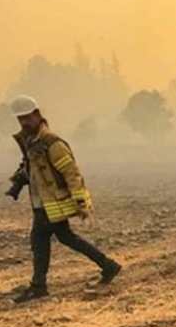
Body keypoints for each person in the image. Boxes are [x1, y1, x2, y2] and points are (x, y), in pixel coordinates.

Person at [8, 95, 121, 303]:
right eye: (20, 119)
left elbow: (72, 173)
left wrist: (80, 202)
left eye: (27, 118)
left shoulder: (52, 143)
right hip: (41, 203)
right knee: (62, 239)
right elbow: (32, 170)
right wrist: (17, 182)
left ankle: (39, 286)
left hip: (51, 204)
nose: (24, 122)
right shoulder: (32, 142)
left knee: (42, 241)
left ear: (37, 115)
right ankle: (107, 265)